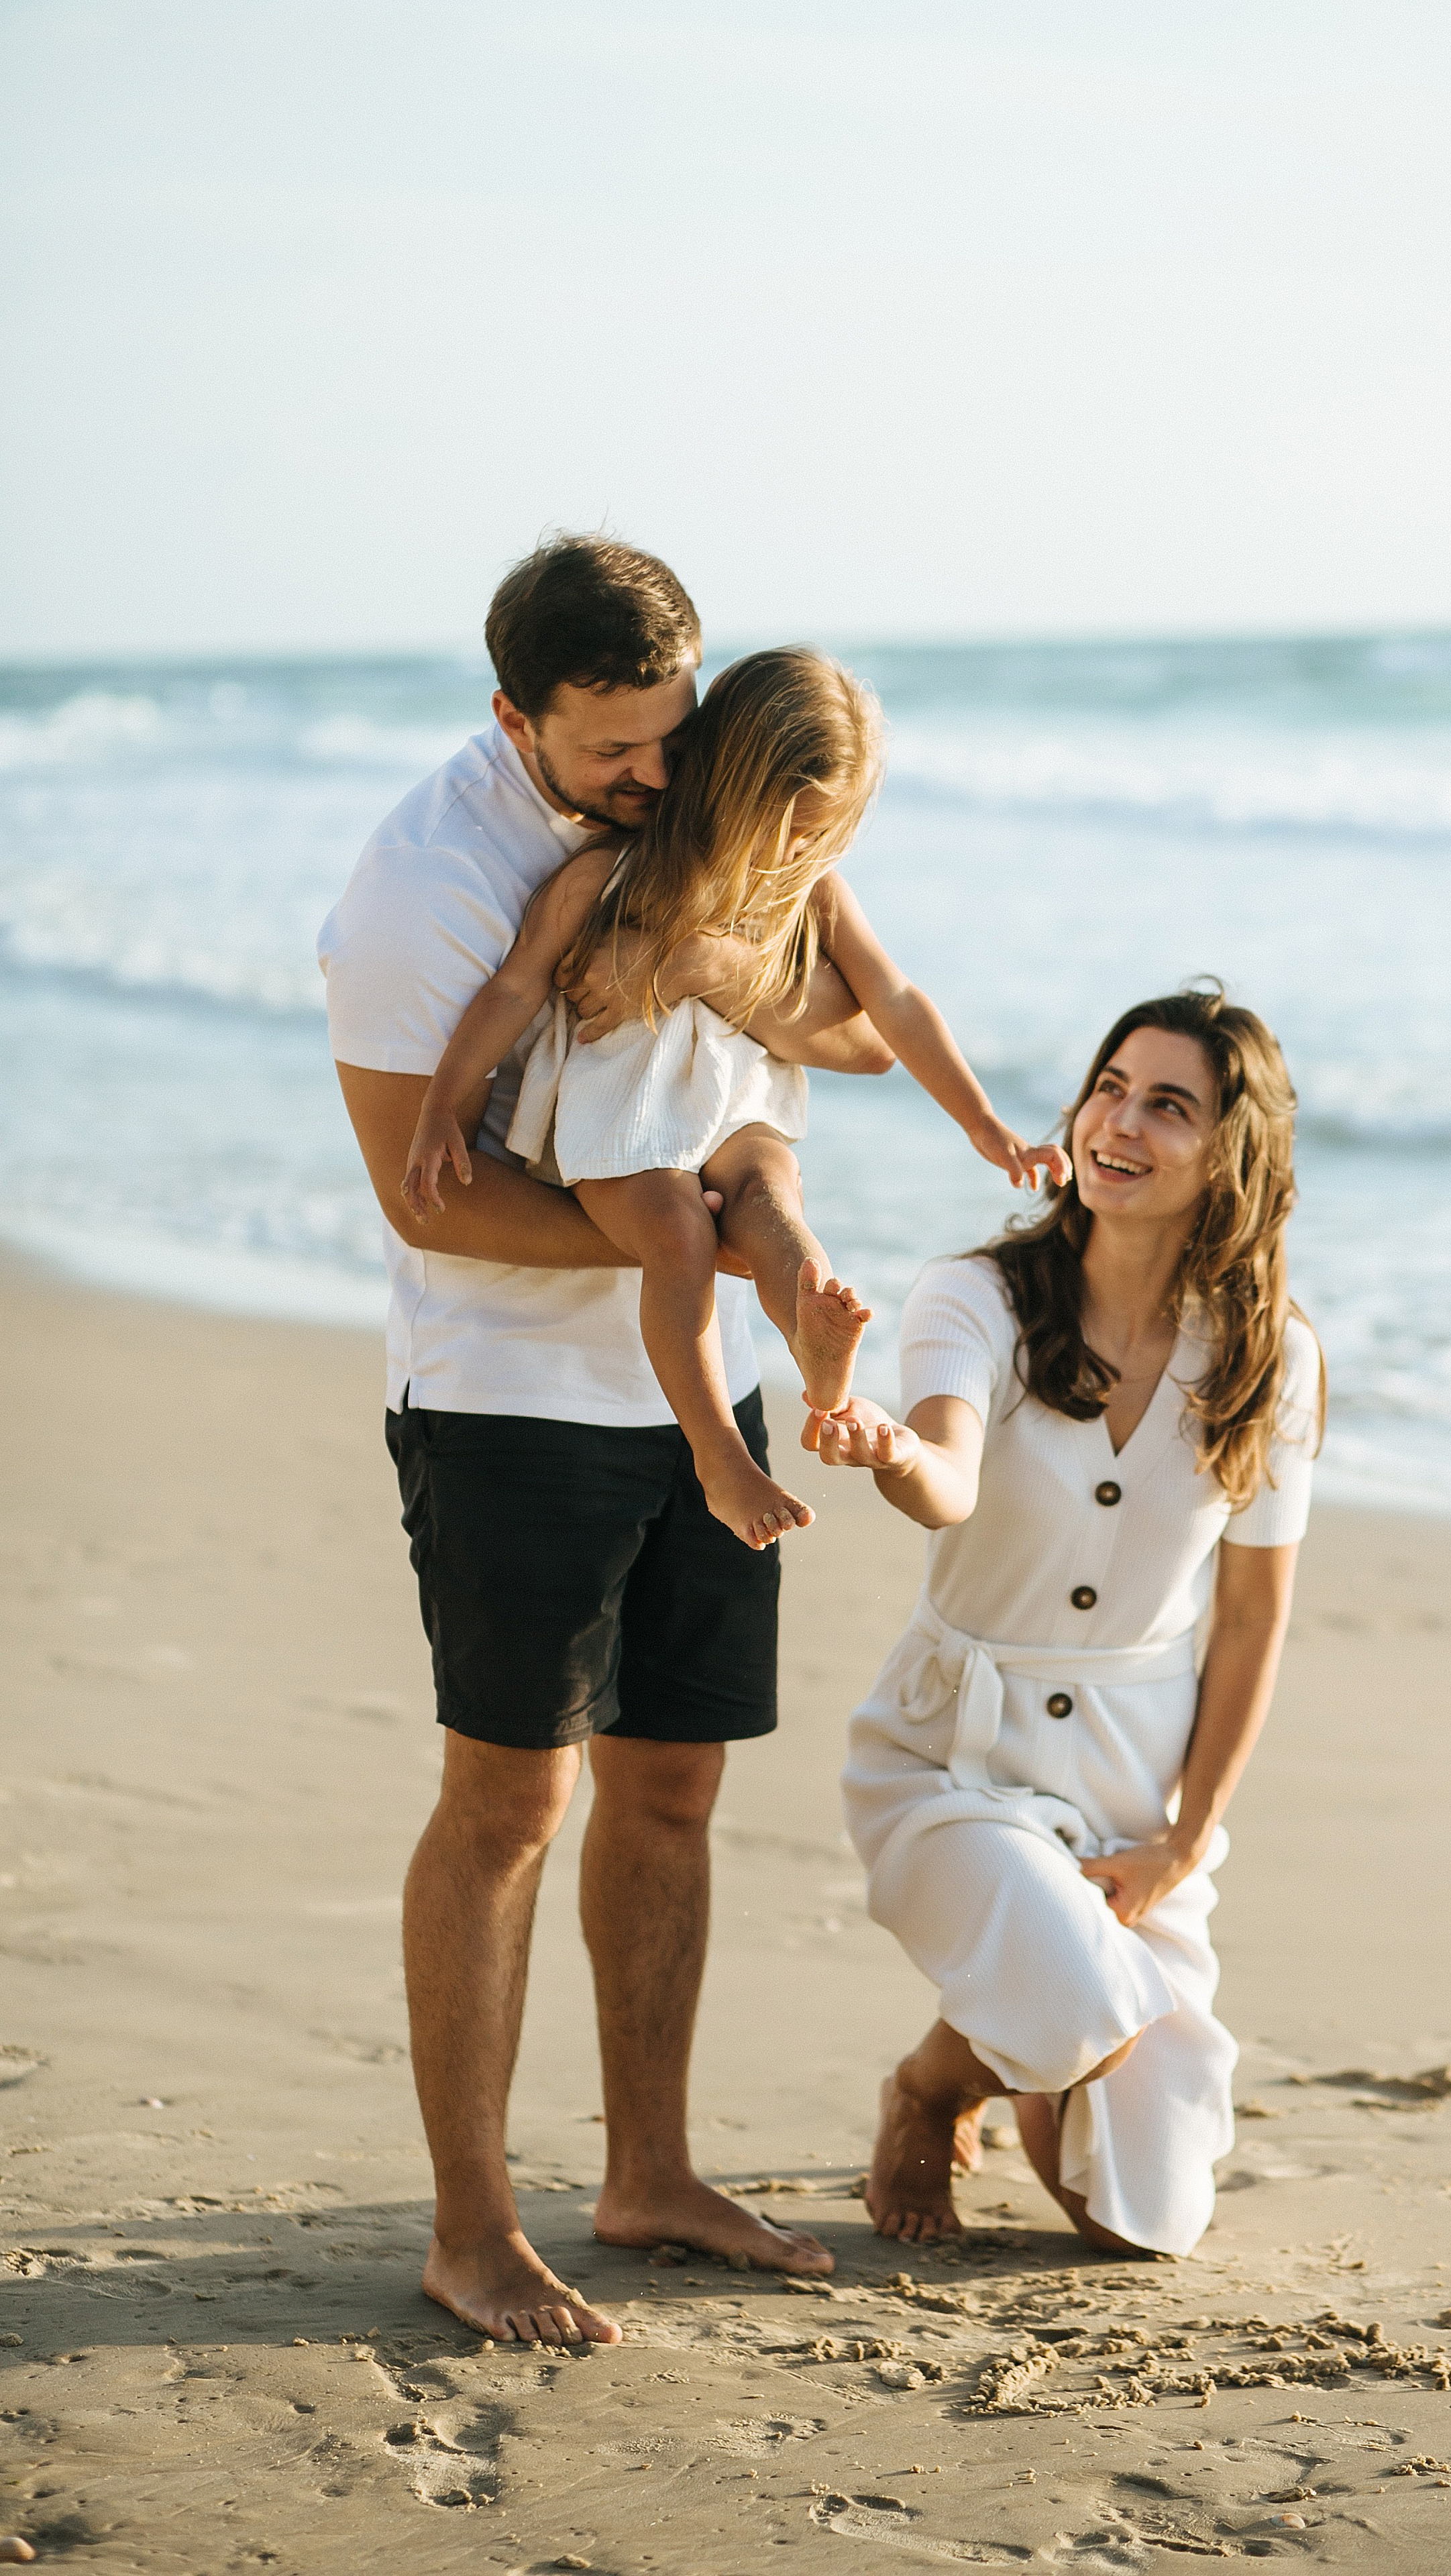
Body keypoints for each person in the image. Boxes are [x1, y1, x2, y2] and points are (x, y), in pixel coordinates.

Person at [317, 535, 896, 2346]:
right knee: (512, 1806)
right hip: (511, 1408)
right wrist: (684, 1234)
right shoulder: (424, 887)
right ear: (514, 717)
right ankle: (474, 2228)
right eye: (611, 752)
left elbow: (858, 1029)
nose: (656, 777)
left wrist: (725, 992)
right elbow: (433, 1205)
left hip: (700, 1388)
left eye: (672, 733)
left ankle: (646, 2170)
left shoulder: (703, 793)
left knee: (674, 1784)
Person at [806, 987, 1324, 2256]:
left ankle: (982, 2056)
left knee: (1141, 2223)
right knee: (1083, 2005)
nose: (1119, 1124)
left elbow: (1252, 1622)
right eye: (1109, 1088)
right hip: (953, 1766)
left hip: (1128, 1790)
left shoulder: (1270, 1358)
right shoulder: (975, 1297)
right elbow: (948, 1478)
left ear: (1232, 1152)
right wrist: (884, 1448)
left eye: (1168, 1105)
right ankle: (934, 2084)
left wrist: (1184, 1841)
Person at [400, 645, 1067, 1552]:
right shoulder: (605, 875)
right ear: (725, 779)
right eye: (789, 826)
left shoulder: (811, 890)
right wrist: (444, 1103)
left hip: (740, 1107)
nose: (800, 851)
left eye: (822, 834)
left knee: (772, 1204)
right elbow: (515, 989)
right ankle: (721, 1457)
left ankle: (822, 1361)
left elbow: (895, 1006)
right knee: (677, 1235)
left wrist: (984, 1123)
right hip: (623, 1121)